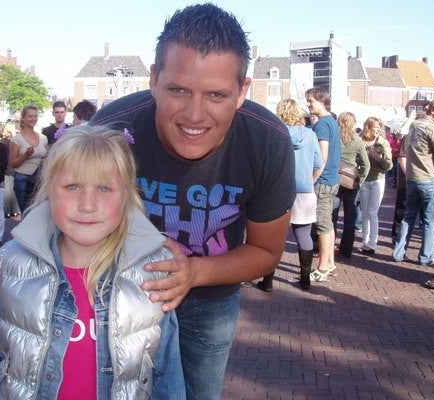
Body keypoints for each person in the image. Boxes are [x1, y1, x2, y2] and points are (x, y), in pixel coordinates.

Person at [89, 4, 296, 398]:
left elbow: (266, 252)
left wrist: (194, 273)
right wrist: (29, 265)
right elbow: (58, 210)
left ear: (242, 92)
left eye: (216, 94)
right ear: (154, 80)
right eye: (178, 90)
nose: (194, 114)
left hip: (212, 294)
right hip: (118, 289)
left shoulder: (267, 141)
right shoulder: (111, 129)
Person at [0, 126, 186, 399]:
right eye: (73, 186)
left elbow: (168, 377)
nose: (87, 205)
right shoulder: (15, 265)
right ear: (50, 191)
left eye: (104, 188)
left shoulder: (153, 275)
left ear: (126, 197)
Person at [257, 99, 322, 291]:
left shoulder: (275, 132)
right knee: (304, 235)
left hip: (278, 190)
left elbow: (265, 162)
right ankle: (305, 279)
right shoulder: (310, 135)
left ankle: (268, 281)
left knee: (274, 237)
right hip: (305, 191)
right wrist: (309, 181)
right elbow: (318, 164)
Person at [393, 98, 434, 271]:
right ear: (433, 112)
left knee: (408, 217)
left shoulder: (415, 125)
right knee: (431, 220)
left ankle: (398, 253)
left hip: (412, 179)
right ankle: (426, 257)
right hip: (429, 178)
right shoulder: (433, 129)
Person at [305, 87, 341, 283]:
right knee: (328, 224)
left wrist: (312, 179)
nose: (308, 104)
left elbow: (322, 156)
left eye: (311, 101)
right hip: (331, 180)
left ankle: (323, 268)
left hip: (323, 181)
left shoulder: (322, 125)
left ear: (322, 101)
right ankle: (330, 264)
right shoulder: (331, 122)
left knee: (322, 225)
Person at [332, 112, 370, 259]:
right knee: (350, 216)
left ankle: (329, 247)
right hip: (351, 182)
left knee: (332, 215)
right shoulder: (357, 141)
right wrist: (360, 181)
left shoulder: (334, 138)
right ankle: (346, 250)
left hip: (335, 179)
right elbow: (366, 164)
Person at [358, 117, 392, 254]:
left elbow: (389, 165)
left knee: (372, 212)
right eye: (375, 127)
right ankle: (364, 241)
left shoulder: (383, 143)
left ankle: (372, 244)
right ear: (368, 128)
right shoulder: (360, 141)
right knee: (364, 213)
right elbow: (355, 160)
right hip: (364, 180)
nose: (378, 129)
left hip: (378, 180)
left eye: (379, 127)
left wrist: (378, 158)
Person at [9, 105, 48, 213]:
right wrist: (25, 155)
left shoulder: (43, 138)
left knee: (39, 211)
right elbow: (13, 164)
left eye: (35, 116)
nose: (33, 119)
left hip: (39, 179)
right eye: (30, 116)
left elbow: (46, 157)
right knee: (26, 211)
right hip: (22, 179)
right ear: (23, 119)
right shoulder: (16, 139)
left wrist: (45, 160)